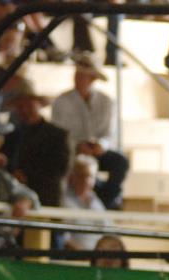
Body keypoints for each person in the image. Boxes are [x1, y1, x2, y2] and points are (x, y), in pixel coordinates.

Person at [51, 54, 128, 209]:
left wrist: (101, 145)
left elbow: (109, 133)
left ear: (93, 79)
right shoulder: (61, 101)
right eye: (77, 75)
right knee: (62, 163)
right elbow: (59, 133)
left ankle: (106, 202)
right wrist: (76, 146)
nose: (78, 79)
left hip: (96, 150)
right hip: (71, 151)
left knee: (120, 162)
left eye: (83, 76)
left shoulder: (107, 102)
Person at [0, 76, 71, 208]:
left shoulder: (57, 135)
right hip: (15, 199)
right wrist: (13, 173)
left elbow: (60, 168)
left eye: (28, 104)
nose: (24, 110)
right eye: (20, 106)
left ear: (39, 104)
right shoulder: (12, 137)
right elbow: (3, 164)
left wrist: (27, 175)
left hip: (46, 198)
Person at [63, 154, 105, 250]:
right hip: (76, 256)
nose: (86, 181)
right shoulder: (64, 201)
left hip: (100, 255)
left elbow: (109, 230)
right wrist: (86, 255)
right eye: (81, 176)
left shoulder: (96, 201)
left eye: (91, 177)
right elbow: (64, 239)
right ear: (72, 176)